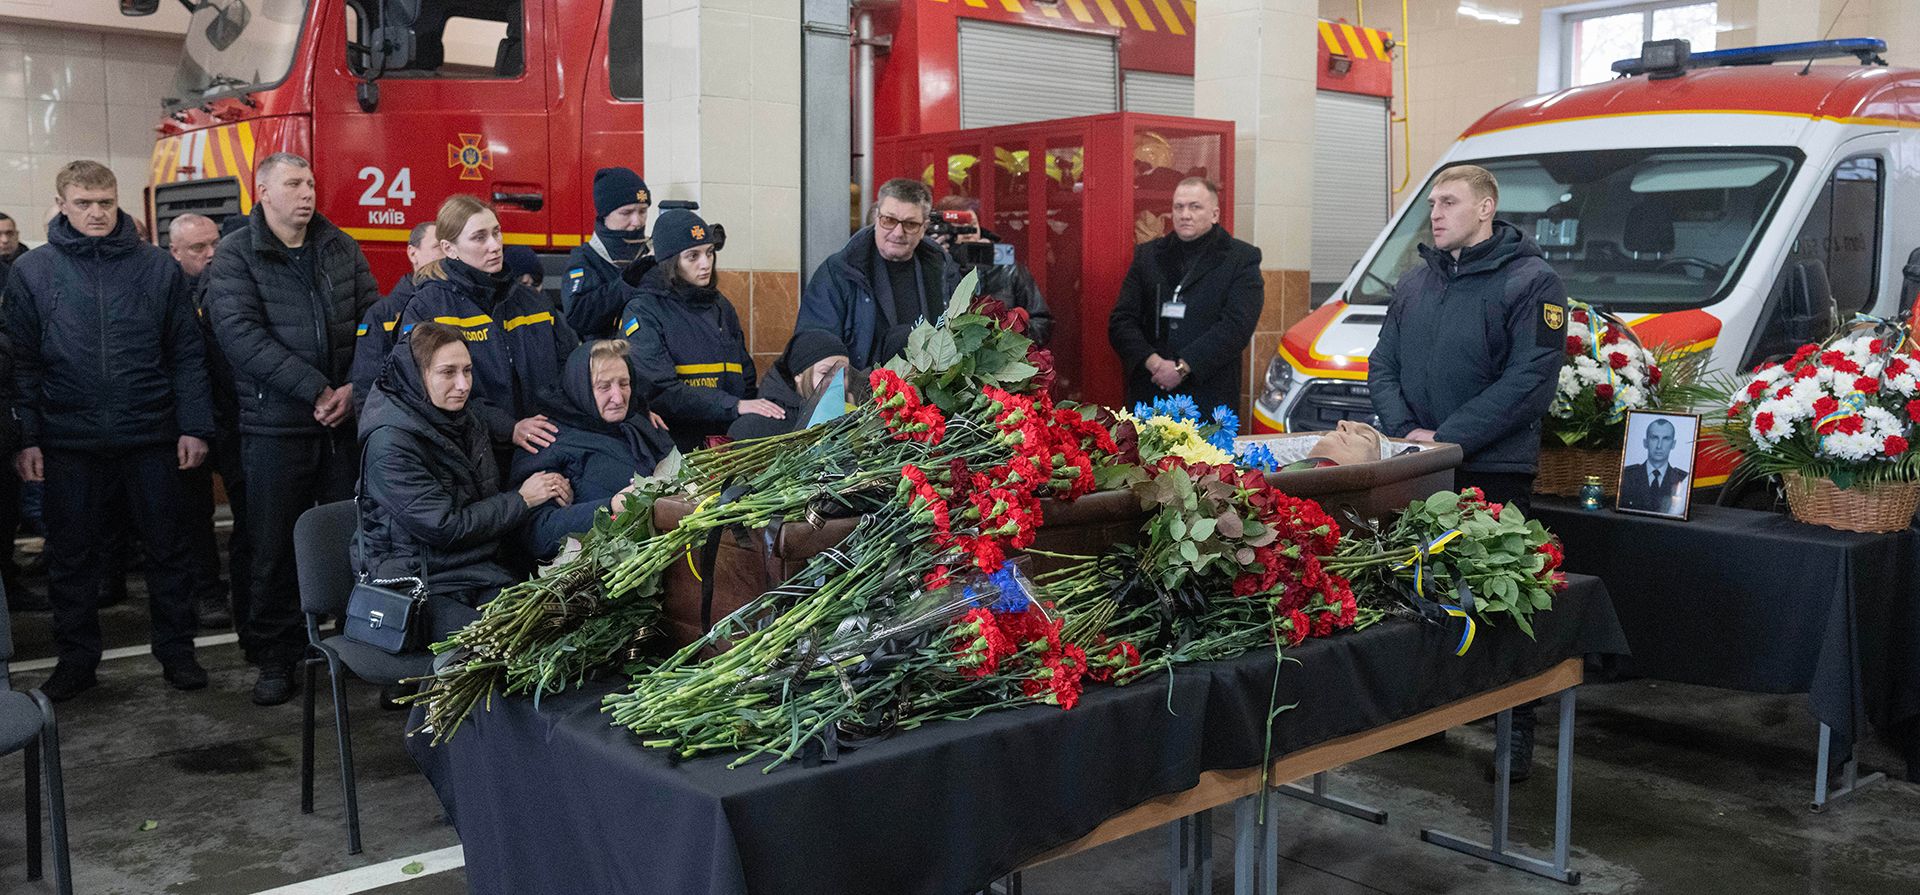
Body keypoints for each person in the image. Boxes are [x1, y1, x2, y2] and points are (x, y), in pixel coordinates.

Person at [1366, 163, 1567, 782]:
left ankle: (1515, 733)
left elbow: (1529, 382)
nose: (1436, 214)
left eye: (1449, 202)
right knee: (1421, 594)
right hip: (1419, 469)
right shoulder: (1416, 283)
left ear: (1486, 208)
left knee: (1502, 601)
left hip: (1492, 472)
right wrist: (1408, 436)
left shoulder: (1534, 282)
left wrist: (1447, 438)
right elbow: (1383, 364)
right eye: (1432, 204)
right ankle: (1423, 719)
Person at [6, 160, 215, 700]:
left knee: (169, 551)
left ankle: (178, 653)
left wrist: (193, 426)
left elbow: (186, 355)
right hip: (67, 439)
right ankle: (76, 661)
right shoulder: (33, 272)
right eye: (84, 203)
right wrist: (28, 437)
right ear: (62, 204)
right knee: (72, 556)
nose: (97, 213)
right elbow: (22, 363)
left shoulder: (156, 268)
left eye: (105, 201)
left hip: (150, 433)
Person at [204, 152, 379, 706]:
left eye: (310, 181)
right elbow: (240, 334)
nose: (307, 192)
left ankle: (352, 643)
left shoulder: (340, 246)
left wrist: (355, 387)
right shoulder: (235, 255)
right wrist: (315, 389)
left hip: (340, 426)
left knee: (353, 541)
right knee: (273, 546)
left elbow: (374, 321)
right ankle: (275, 656)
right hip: (275, 427)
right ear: (263, 192)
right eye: (293, 183)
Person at [354, 323, 573, 642]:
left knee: (548, 627)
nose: (462, 384)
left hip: (472, 568)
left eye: (468, 371)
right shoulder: (389, 443)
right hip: (415, 579)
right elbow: (445, 527)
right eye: (448, 372)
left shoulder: (463, 419)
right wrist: (523, 499)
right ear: (415, 376)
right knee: (502, 644)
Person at [397, 195, 577, 464]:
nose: (495, 245)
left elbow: (573, 363)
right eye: (479, 237)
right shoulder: (428, 308)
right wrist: (508, 428)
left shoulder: (532, 302)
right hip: (468, 456)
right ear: (449, 248)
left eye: (496, 232)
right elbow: (423, 389)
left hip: (542, 447)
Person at [620, 209, 776, 452]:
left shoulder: (721, 305)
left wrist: (746, 411)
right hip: (674, 446)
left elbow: (744, 374)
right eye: (692, 256)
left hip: (726, 440)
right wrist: (733, 405)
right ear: (671, 263)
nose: (706, 264)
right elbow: (660, 392)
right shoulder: (643, 310)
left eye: (709, 253)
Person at [1106, 177, 1264, 413]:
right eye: (1178, 207)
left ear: (1214, 214)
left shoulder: (1241, 259)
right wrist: (1155, 363)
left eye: (1195, 206)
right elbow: (1121, 321)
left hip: (1207, 395)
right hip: (1150, 391)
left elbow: (1236, 327)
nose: (1185, 214)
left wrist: (1182, 368)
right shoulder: (1148, 256)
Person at [509, 340, 675, 559]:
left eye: (624, 384)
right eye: (604, 387)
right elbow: (537, 533)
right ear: (580, 387)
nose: (618, 397)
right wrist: (610, 507)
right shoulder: (547, 438)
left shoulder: (642, 423)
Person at [170, 212, 245, 632]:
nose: (211, 253)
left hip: (234, 416)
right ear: (176, 252)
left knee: (248, 510)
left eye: (214, 242)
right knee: (193, 515)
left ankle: (244, 588)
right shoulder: (167, 290)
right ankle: (207, 591)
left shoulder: (232, 283)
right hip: (189, 420)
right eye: (198, 248)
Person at [798, 178, 958, 370]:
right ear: (876, 219)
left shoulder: (942, 271)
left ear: (924, 228)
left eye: (910, 224)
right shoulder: (839, 272)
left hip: (930, 390)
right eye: (889, 220)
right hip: (859, 393)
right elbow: (813, 346)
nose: (898, 232)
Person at [930, 196, 1053, 346]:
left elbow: (1042, 322)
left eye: (972, 225)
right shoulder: (934, 267)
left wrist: (1009, 333)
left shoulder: (1007, 267)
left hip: (1000, 362)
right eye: (959, 226)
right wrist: (938, 260)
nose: (968, 232)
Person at [351, 222, 441, 419]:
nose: (446, 254)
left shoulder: (461, 306)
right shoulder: (382, 314)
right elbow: (366, 386)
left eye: (449, 246)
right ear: (412, 253)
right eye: (437, 247)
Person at [563, 167, 651, 339]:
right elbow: (579, 317)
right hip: (610, 359)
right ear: (604, 214)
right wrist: (626, 283)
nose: (637, 221)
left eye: (643, 211)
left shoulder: (652, 251)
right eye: (626, 213)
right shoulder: (585, 259)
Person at [728, 330, 850, 442]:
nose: (837, 382)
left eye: (843, 374)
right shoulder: (752, 427)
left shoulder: (847, 419)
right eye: (825, 373)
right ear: (798, 375)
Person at [1619, 418, 1689, 514]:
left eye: (1666, 439)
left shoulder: (1682, 479)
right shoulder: (1627, 476)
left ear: (1673, 444)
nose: (1659, 446)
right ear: (1645, 442)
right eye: (1654, 438)